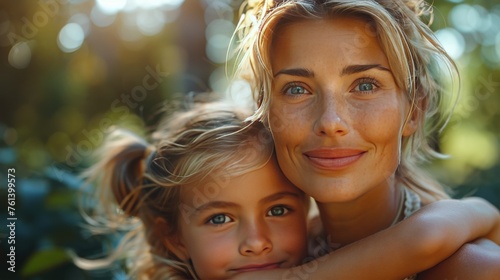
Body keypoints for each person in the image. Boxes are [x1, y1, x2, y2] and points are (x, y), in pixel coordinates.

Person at [73, 98, 500, 280]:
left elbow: (445, 228)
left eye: (278, 210)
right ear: (174, 238)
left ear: (306, 204)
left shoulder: (318, 248)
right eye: (219, 218)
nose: (257, 243)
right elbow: (442, 230)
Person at [231, 0, 500, 278]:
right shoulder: (258, 255)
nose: (330, 122)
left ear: (414, 111)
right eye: (297, 89)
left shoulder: (477, 270)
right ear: (263, 112)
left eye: (365, 85)